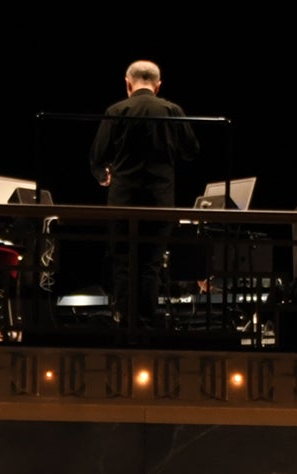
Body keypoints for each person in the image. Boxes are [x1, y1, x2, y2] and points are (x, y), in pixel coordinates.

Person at [89, 60, 198, 324]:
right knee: (151, 263)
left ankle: (126, 324)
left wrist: (104, 175)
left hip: (123, 201)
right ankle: (147, 324)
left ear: (128, 83)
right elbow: (191, 152)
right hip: (160, 201)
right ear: (158, 86)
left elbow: (98, 157)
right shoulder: (172, 111)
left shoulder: (117, 110)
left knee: (124, 263)